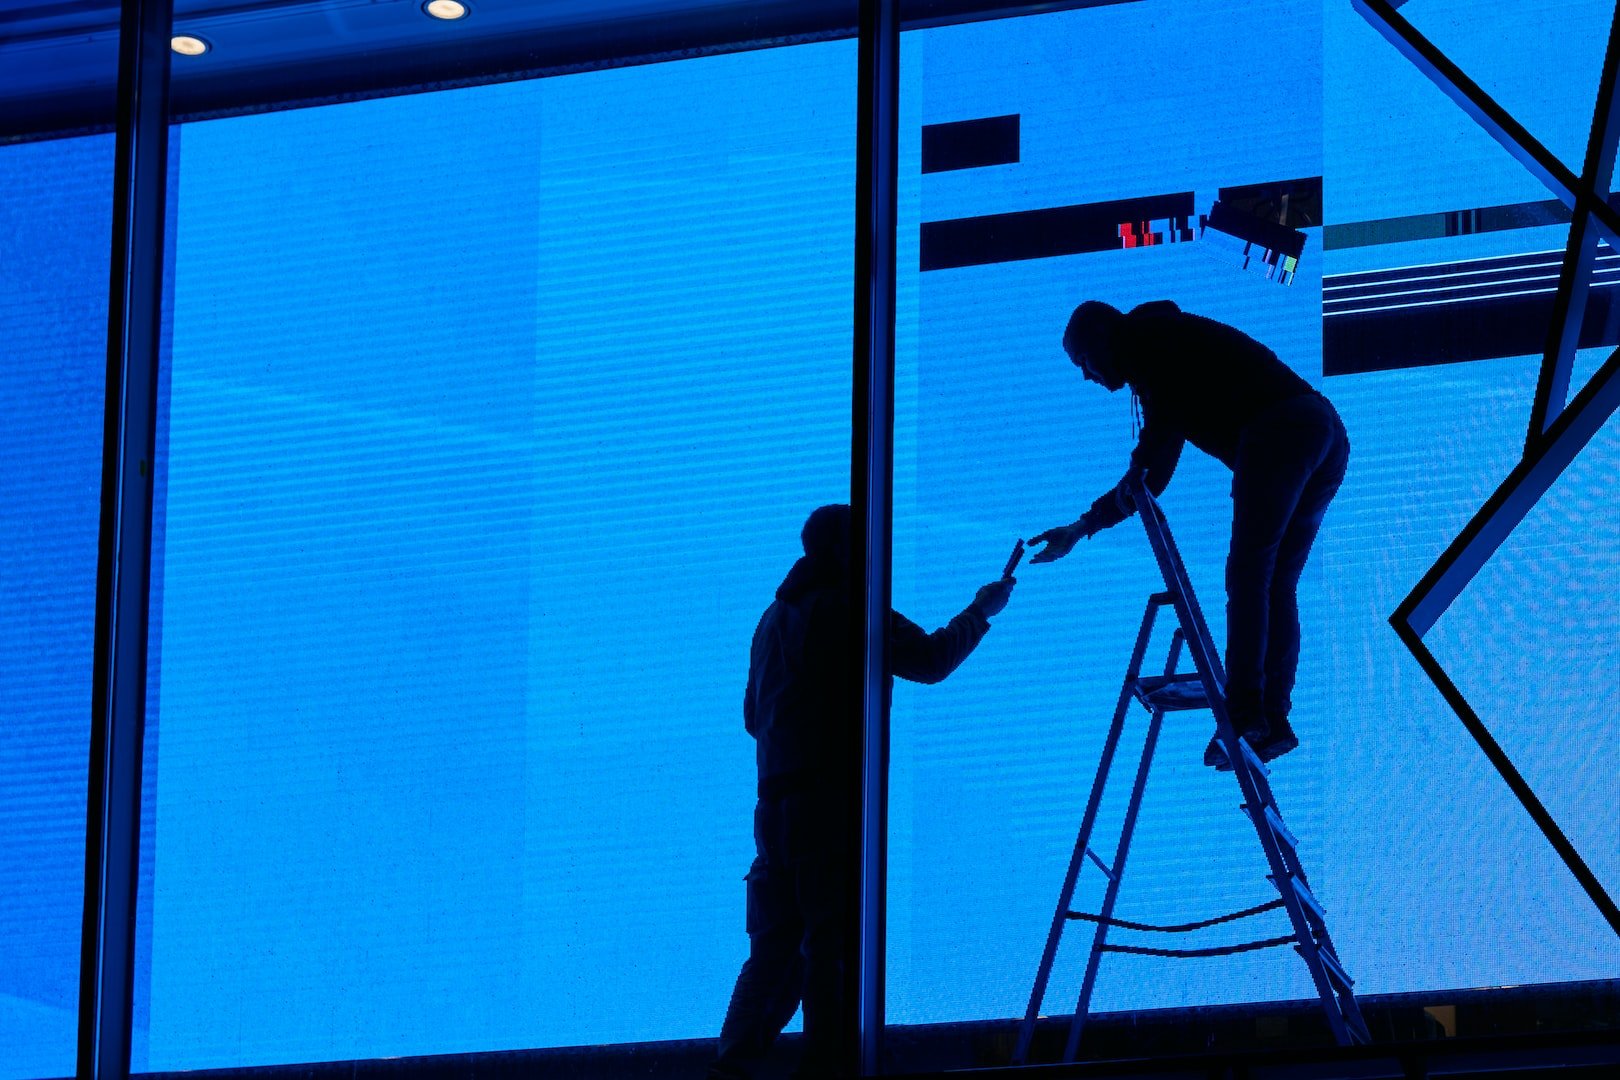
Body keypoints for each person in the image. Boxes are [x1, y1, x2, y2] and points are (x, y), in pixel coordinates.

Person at [712, 504, 1015, 1080]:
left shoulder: (769, 621)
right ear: (845, 552)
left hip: (773, 810)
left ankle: (730, 1070)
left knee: (773, 955)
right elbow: (930, 660)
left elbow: (754, 716)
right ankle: (828, 1071)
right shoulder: (850, 607)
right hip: (825, 809)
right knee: (832, 954)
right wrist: (982, 610)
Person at [1029, 300, 1348, 767]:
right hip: (1324, 433)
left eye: (1082, 363)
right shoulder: (1161, 340)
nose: (1086, 376)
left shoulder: (1148, 343)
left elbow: (1154, 460)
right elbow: (1151, 473)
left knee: (1249, 573)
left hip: (1280, 430)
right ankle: (1271, 719)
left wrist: (1086, 524)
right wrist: (1083, 527)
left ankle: (1244, 715)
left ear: (1099, 338)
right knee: (1276, 582)